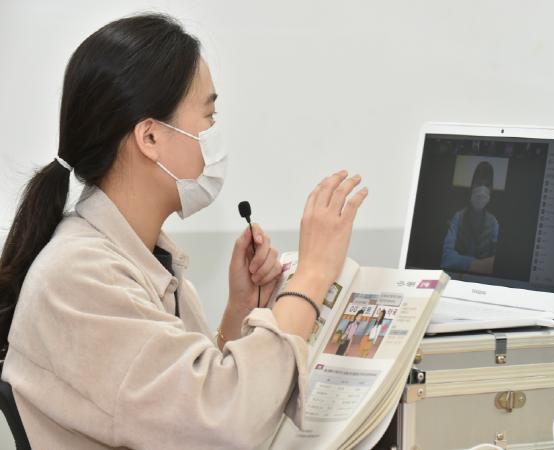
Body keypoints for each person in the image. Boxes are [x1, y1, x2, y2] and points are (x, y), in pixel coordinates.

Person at [0, 13, 368, 450]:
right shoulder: (80, 276)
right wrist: (312, 277)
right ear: (150, 138)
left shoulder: (141, 258)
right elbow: (224, 425)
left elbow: (188, 399)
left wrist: (238, 310)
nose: (213, 135)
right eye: (207, 116)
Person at [441, 161, 499, 275]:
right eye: (478, 183)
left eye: (487, 185)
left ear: (491, 190)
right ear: (472, 186)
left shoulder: (494, 223)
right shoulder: (458, 217)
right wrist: (480, 265)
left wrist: (461, 263)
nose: (482, 189)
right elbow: (446, 258)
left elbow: (497, 263)